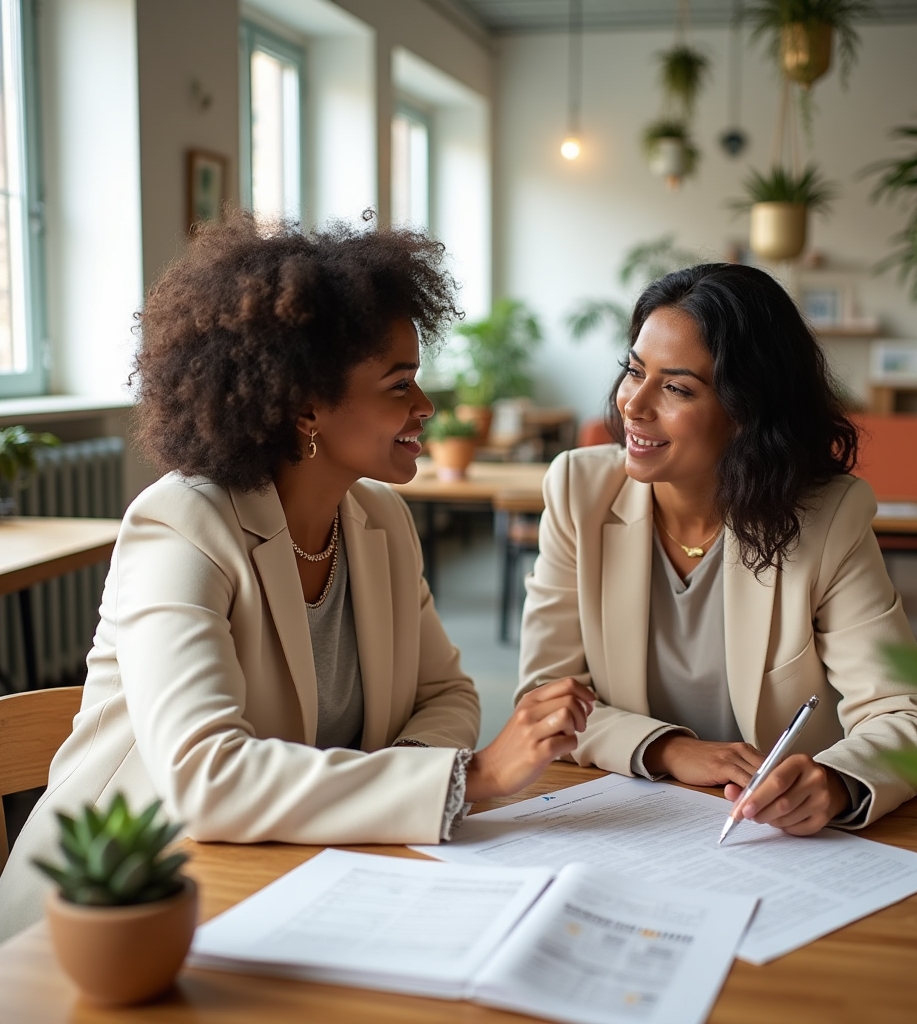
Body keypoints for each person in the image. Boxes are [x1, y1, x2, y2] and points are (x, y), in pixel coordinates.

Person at [0, 215, 593, 940]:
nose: (425, 407)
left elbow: (446, 694)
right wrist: (468, 780)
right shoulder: (182, 527)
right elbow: (208, 778)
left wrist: (393, 783)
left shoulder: (380, 521)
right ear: (304, 404)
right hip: (120, 915)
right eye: (398, 384)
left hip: (302, 876)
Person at [518, 263, 917, 835]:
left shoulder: (827, 519)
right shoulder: (580, 490)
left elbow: (908, 714)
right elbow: (544, 698)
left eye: (675, 387)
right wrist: (668, 749)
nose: (633, 405)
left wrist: (837, 782)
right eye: (633, 370)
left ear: (746, 414)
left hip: (761, 837)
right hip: (624, 822)